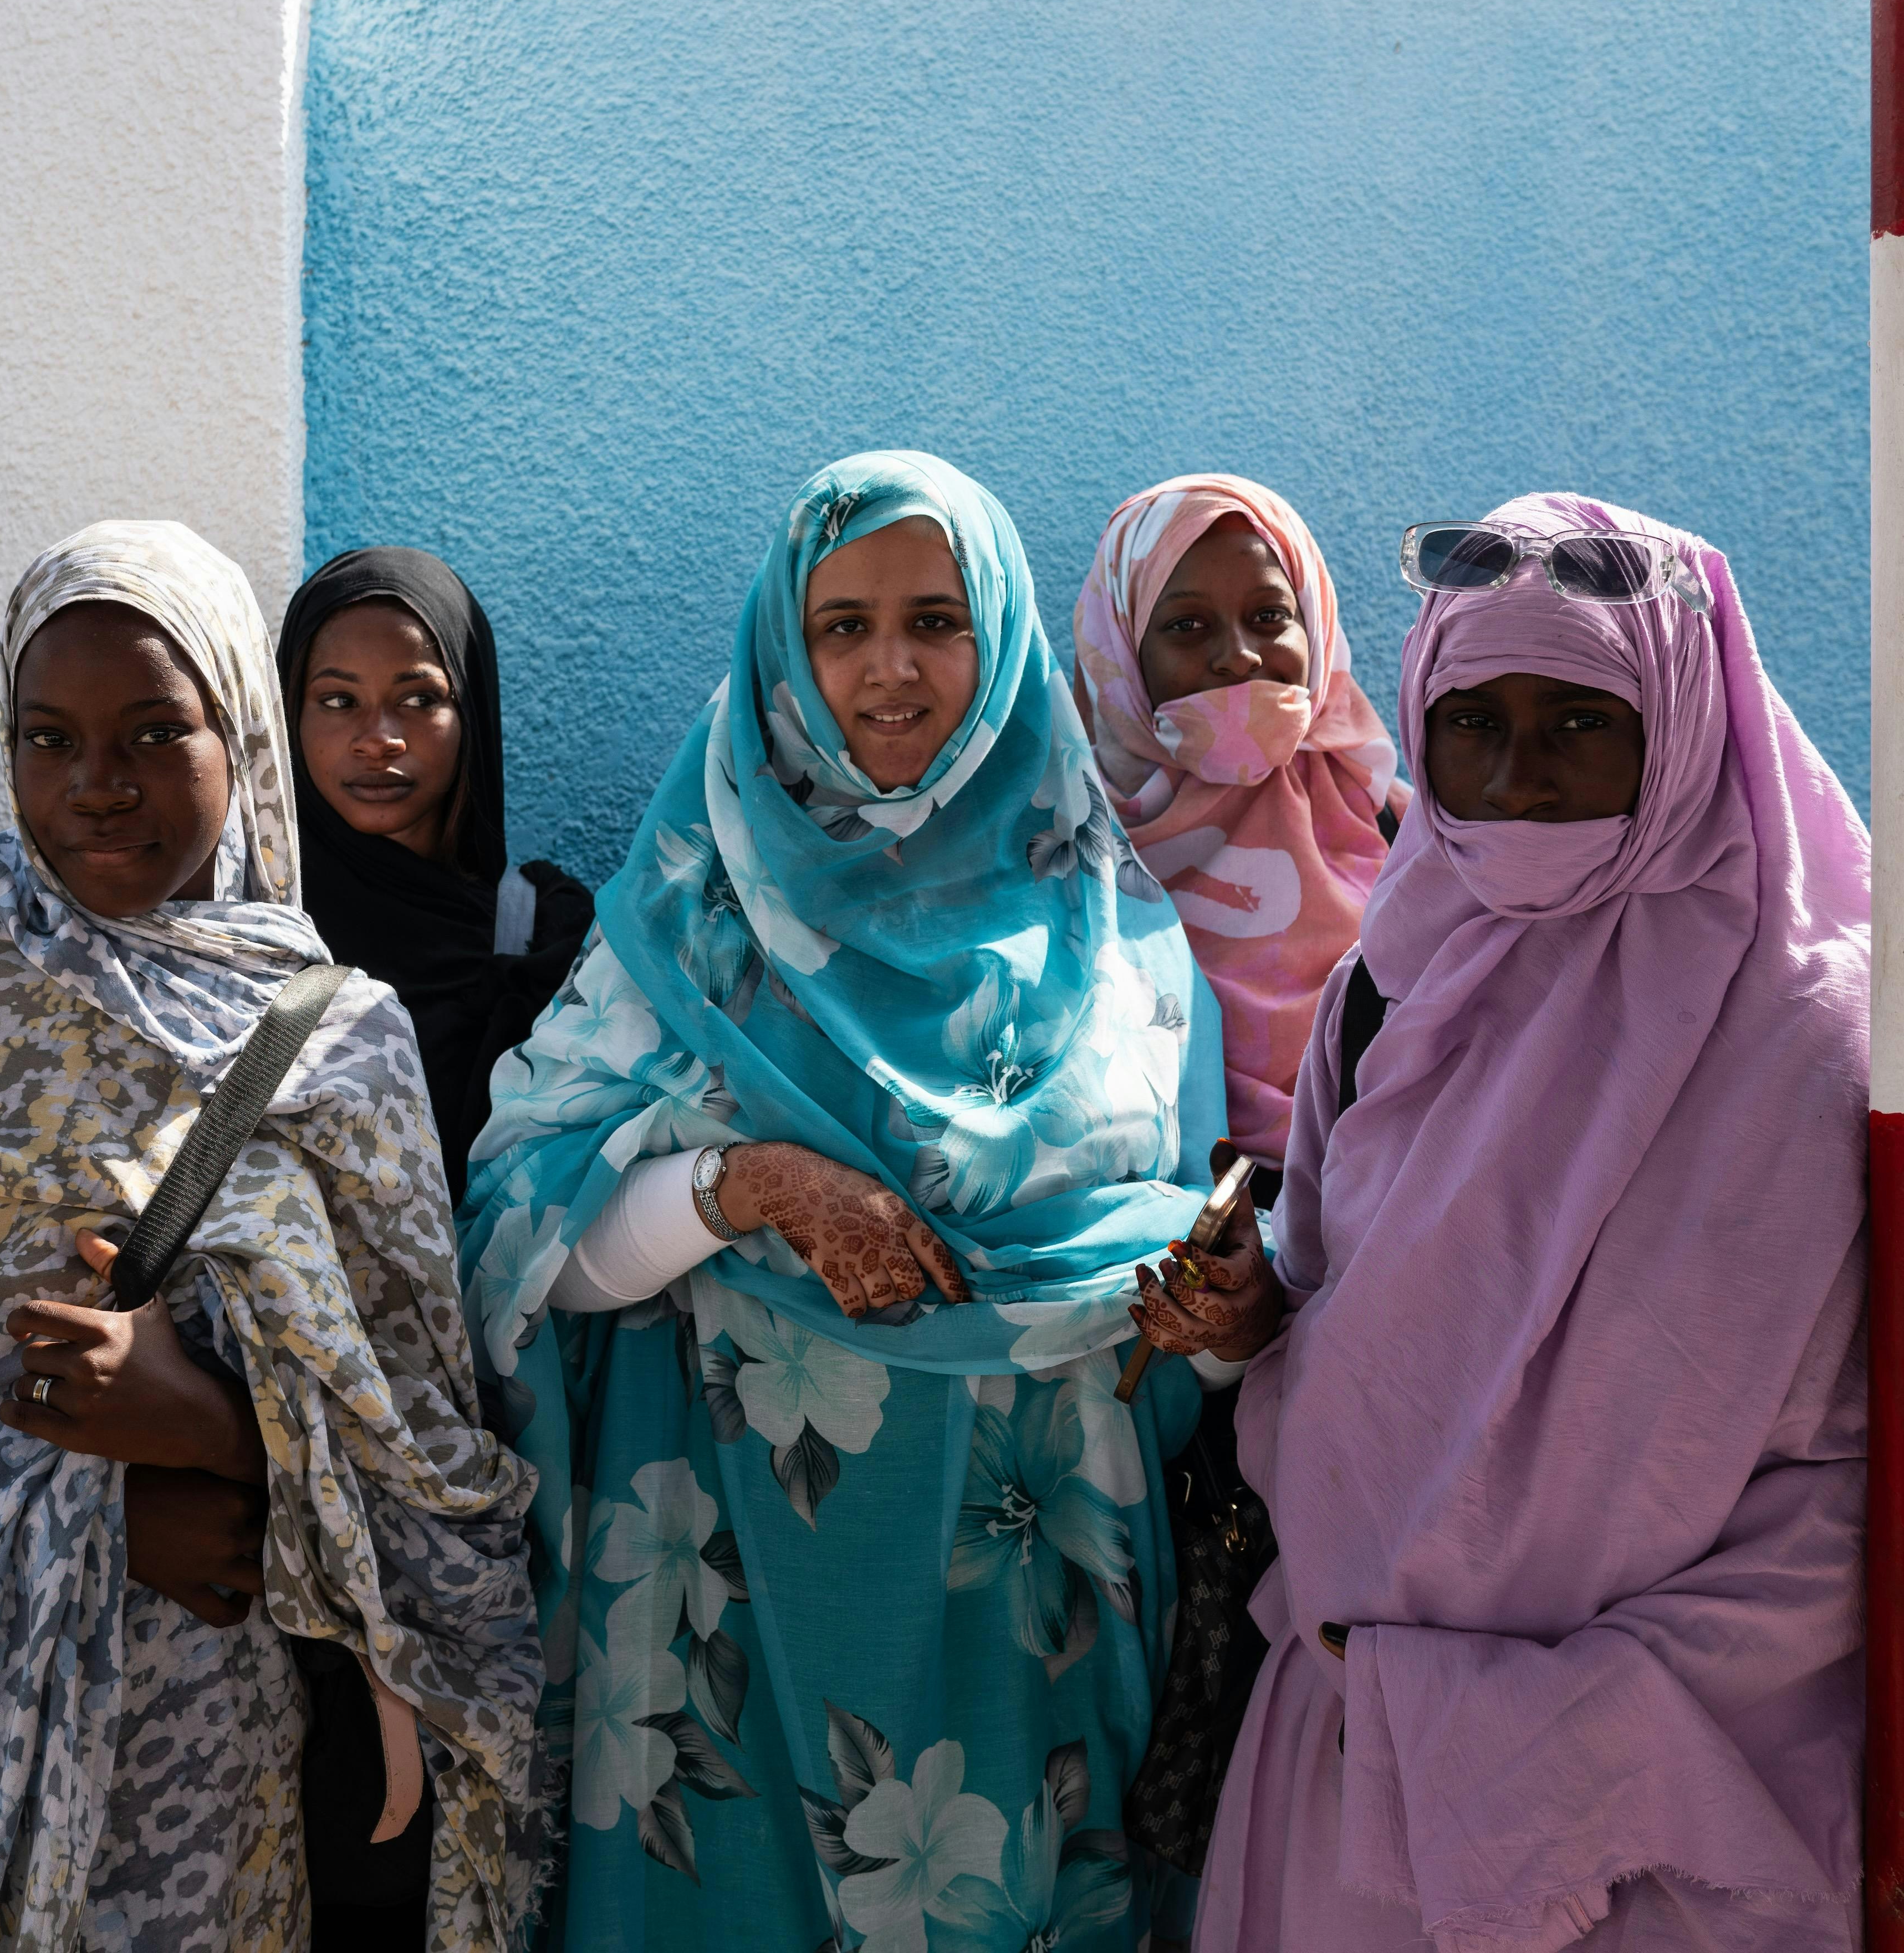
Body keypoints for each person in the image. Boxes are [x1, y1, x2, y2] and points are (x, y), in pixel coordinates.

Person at [1130, 492, 1904, 1952]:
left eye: (1578, 723)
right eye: (1474, 724)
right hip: (1354, 1783)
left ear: (1680, 726)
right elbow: (1331, 1299)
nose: (1517, 780)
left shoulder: (1829, 1042)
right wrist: (1251, 1320)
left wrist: (1556, 1729)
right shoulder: (1392, 982)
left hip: (1659, 1825)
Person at [0, 519, 544, 1953]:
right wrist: (92, 1513)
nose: (95, 786)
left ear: (236, 734)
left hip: (200, 1745)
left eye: (151, 732)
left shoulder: (332, 1042)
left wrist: (217, 1439)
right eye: (45, 738)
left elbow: (419, 1453)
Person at [458, 450, 1234, 1952]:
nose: (889, 668)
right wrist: (748, 1186)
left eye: (935, 619)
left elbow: (1169, 1298)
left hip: (1031, 1628)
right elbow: (526, 1231)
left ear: (998, 637)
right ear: (783, 649)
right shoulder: (696, 907)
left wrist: (1232, 1318)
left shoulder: (1112, 925)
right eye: (841, 625)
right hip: (725, 1612)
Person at [1071, 474, 1403, 1170]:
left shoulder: (1397, 826)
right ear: (1124, 650)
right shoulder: (1064, 842)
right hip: (1162, 1227)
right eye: (1186, 626)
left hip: (1389, 1198)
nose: (1238, 656)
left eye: (1268, 616)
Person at [278, 545, 596, 1185]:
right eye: (338, 701)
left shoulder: (547, 939)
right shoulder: (242, 933)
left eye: (420, 699)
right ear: (286, 711)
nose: (378, 738)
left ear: (470, 713)